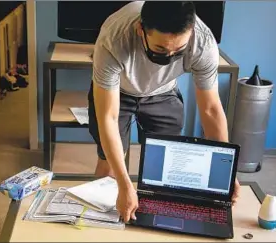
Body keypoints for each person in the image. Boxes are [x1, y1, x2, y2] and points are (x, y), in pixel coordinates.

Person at [87, 1, 240, 223]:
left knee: (166, 166)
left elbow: (210, 109)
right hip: (117, 90)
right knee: (110, 163)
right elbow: (108, 117)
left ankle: (157, 224)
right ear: (141, 30)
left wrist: (225, 171)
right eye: (160, 49)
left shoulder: (203, 42)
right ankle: (100, 224)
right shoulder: (114, 38)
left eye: (178, 51)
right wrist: (124, 184)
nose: (168, 57)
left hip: (163, 91)